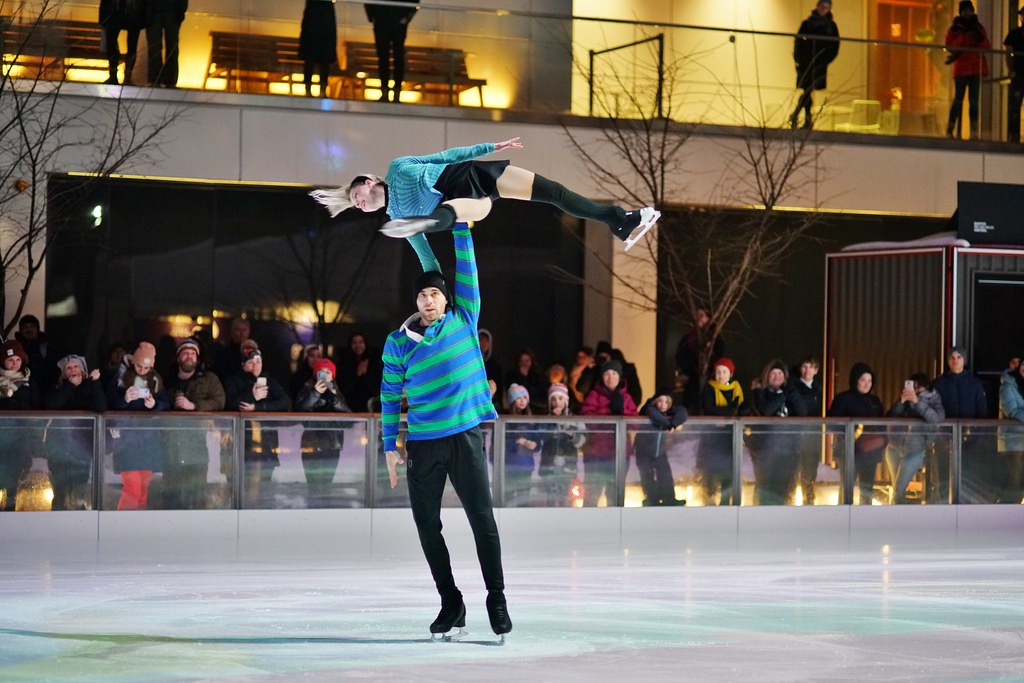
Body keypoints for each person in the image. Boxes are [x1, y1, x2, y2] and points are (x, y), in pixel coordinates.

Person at [380, 224, 512, 640]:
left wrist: (459, 223)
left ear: (446, 298)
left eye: (435, 293)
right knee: (426, 525)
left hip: (464, 437)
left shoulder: (464, 319)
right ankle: (451, 602)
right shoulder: (398, 342)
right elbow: (388, 394)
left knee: (482, 520)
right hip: (423, 442)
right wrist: (389, 444)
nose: (428, 299)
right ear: (415, 302)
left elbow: (465, 268)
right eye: (422, 294)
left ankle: (496, 597)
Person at [309, 138, 660, 273]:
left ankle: (618, 219)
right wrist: (436, 287)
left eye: (355, 195)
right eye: (354, 206)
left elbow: (446, 155)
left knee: (554, 192)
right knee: (476, 210)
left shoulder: (399, 167)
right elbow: (427, 259)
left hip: (469, 174)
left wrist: (489, 146)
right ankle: (431, 222)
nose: (358, 204)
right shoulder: (397, 219)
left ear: (369, 182)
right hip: (458, 201)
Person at [224, 344, 290, 506]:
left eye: (258, 361)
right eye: (251, 361)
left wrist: (258, 407)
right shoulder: (233, 381)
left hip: (266, 445)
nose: (255, 364)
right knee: (239, 487)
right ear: (243, 365)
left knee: (264, 488)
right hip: (240, 446)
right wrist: (251, 395)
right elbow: (230, 404)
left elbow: (285, 402)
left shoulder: (270, 382)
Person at [163, 338, 226, 509]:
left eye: (193, 353)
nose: (189, 356)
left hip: (197, 444)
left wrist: (194, 406)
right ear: (178, 358)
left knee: (197, 493)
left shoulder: (209, 379)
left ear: (197, 358)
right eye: (185, 353)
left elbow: (220, 401)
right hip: (171, 447)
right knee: (172, 495)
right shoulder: (167, 379)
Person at [107, 342, 170, 510]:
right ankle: (124, 526)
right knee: (132, 488)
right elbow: (108, 403)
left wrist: (154, 405)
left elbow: (166, 402)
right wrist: (125, 399)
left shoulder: (155, 380)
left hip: (148, 442)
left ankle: (138, 525)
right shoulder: (121, 378)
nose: (142, 370)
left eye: (146, 368)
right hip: (126, 443)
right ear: (133, 362)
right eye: (139, 366)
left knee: (143, 490)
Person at [44, 355, 107, 510]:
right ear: (63, 373)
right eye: (68, 368)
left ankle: (78, 521)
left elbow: (101, 407)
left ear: (83, 370)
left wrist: (95, 383)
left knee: (78, 486)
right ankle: (58, 517)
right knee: (59, 487)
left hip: (82, 445)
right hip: (58, 444)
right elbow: (52, 405)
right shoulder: (58, 387)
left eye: (76, 367)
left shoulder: (90, 385)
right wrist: (70, 386)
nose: (73, 370)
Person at [931, 345, 988, 502]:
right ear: (948, 361)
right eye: (952, 357)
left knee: (969, 479)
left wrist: (977, 440)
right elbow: (933, 413)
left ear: (964, 360)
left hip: (971, 444)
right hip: (944, 442)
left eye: (959, 357)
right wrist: (941, 438)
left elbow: (982, 414)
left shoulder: (975, 384)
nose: (955, 360)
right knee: (943, 480)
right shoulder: (938, 384)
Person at [580, 358, 638, 508]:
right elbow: (587, 420)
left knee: (615, 493)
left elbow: (635, 422)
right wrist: (609, 413)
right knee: (592, 492)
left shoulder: (626, 398)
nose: (610, 377)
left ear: (620, 377)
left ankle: (616, 525)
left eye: (614, 373)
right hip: (596, 453)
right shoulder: (594, 395)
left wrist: (621, 412)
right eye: (607, 374)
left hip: (619, 453)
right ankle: (588, 524)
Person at [294, 357, 351, 507]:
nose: (325, 375)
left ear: (333, 376)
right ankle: (311, 510)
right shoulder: (307, 388)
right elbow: (300, 408)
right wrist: (315, 393)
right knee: (312, 483)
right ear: (315, 374)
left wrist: (333, 397)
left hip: (333, 444)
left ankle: (326, 511)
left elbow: (348, 415)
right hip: (310, 442)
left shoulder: (336, 392)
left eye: (328, 372)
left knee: (327, 483)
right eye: (321, 372)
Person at [828, 361, 885, 505]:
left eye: (870, 380)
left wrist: (882, 440)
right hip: (849, 452)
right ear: (855, 380)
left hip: (870, 452)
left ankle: (865, 518)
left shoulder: (875, 401)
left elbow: (883, 425)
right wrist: (853, 434)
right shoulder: (843, 399)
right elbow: (832, 424)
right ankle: (843, 515)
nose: (867, 384)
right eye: (863, 380)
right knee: (847, 487)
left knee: (867, 488)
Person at [886, 373, 944, 504]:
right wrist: (901, 401)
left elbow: (936, 419)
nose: (916, 391)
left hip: (915, 450)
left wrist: (917, 402)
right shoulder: (905, 399)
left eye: (919, 388)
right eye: (914, 387)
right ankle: (898, 513)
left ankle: (896, 516)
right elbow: (890, 416)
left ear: (926, 388)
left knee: (898, 490)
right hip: (894, 447)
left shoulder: (933, 399)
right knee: (897, 487)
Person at [749, 360, 799, 506]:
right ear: (767, 375)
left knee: (784, 487)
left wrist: (792, 393)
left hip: (787, 449)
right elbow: (765, 410)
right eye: (773, 373)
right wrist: (783, 396)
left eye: (780, 373)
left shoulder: (790, 393)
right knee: (765, 485)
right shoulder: (759, 392)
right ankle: (761, 515)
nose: (777, 376)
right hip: (764, 449)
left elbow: (802, 411)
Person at [697, 357, 746, 505]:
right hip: (713, 437)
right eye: (718, 372)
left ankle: (726, 501)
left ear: (730, 374)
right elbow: (709, 409)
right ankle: (709, 499)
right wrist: (730, 411)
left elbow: (742, 409)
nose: (721, 375)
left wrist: (732, 412)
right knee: (711, 470)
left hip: (730, 437)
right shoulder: (709, 388)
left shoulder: (737, 388)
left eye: (724, 372)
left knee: (728, 470)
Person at [0, 340, 38, 510]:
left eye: (18, 359)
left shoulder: (29, 382)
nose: (14, 364)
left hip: (19, 441)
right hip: (2, 438)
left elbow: (36, 406)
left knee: (14, 481)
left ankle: (11, 510)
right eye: (10, 360)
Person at [790, 0, 840, 130]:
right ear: (818, 7)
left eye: (827, 7)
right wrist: (798, 59)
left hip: (819, 64)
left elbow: (834, 47)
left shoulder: (831, 26)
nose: (824, 9)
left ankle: (799, 116)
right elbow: (798, 42)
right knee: (807, 90)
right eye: (823, 6)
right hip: (806, 63)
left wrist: (825, 60)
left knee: (807, 90)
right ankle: (804, 118)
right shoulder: (807, 24)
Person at [633, 387, 687, 506]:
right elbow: (655, 416)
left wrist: (674, 424)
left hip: (659, 450)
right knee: (647, 474)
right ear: (655, 401)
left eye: (667, 402)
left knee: (665, 474)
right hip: (643, 450)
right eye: (660, 401)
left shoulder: (668, 412)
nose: (663, 405)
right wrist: (668, 425)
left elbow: (683, 412)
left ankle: (669, 498)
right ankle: (652, 499)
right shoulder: (649, 408)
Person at [944, 1, 990, 139]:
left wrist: (975, 37)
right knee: (958, 100)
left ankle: (974, 131)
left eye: (969, 10)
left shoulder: (978, 27)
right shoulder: (955, 29)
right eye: (965, 10)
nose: (968, 13)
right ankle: (950, 129)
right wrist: (964, 38)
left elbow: (986, 45)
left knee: (974, 101)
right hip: (962, 70)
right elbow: (949, 46)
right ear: (961, 12)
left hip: (974, 69)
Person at [537, 382, 585, 507]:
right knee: (551, 500)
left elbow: (582, 441)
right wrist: (553, 422)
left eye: (560, 398)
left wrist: (570, 432)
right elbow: (541, 437)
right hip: (549, 468)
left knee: (565, 499)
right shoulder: (545, 420)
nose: (557, 402)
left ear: (566, 400)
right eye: (553, 399)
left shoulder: (575, 419)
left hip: (568, 469)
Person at [364, 0, 417, 103]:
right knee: (389, 57)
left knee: (391, 57)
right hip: (388, 19)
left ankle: (390, 91)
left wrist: (406, 18)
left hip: (388, 19)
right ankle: (391, 91)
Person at [789, 355, 824, 504]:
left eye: (811, 367)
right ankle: (789, 499)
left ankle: (808, 500)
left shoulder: (820, 388)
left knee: (810, 470)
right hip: (796, 435)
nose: (807, 370)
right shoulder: (793, 387)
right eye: (804, 366)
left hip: (813, 435)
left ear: (816, 370)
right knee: (793, 470)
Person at [675, 308, 724, 414]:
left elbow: (719, 357)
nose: (699, 318)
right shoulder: (688, 339)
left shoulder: (715, 339)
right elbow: (680, 357)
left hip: (709, 380)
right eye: (697, 315)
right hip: (692, 380)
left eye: (702, 315)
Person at [503, 383, 540, 507]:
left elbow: (537, 440)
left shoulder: (530, 420)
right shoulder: (506, 420)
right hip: (510, 466)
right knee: (509, 496)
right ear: (512, 401)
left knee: (524, 497)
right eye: (519, 398)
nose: (522, 401)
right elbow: (502, 443)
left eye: (524, 398)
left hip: (526, 466)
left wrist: (534, 445)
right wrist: (516, 442)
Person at [99, 0, 145, 85]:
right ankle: (120, 76)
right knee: (114, 45)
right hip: (121, 12)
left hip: (126, 13)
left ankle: (122, 76)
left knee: (128, 45)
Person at [998, 358, 1024, 504]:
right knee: (1015, 481)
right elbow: (1012, 411)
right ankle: (1006, 513)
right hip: (1013, 442)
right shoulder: (1008, 386)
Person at [299, 0, 337, 98]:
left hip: (315, 21)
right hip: (321, 21)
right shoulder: (326, 8)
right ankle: (319, 88)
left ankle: (313, 88)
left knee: (314, 58)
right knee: (320, 58)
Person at [336, 333, 381, 413]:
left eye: (360, 342)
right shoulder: (344, 363)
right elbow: (343, 387)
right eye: (354, 343)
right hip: (350, 405)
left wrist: (366, 374)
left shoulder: (373, 362)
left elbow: (377, 386)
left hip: (371, 406)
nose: (358, 345)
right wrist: (357, 374)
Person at [15, 314, 60, 394]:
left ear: (37, 329)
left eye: (32, 326)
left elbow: (53, 371)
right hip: (21, 391)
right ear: (21, 330)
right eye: (25, 327)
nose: (29, 329)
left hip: (44, 391)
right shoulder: (15, 348)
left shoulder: (47, 347)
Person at [146, 0, 187, 88]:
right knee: (168, 47)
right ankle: (167, 80)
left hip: (161, 11)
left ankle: (158, 79)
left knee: (157, 47)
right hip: (166, 10)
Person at [1004, 6, 1024, 143]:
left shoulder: (1015, 34)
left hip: (1018, 74)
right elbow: (1008, 53)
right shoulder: (1015, 34)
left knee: (1015, 107)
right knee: (1015, 108)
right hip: (1018, 75)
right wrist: (1011, 69)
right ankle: (1014, 135)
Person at [504, 348, 545, 413]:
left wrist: (525, 378)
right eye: (521, 361)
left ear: (532, 362)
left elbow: (536, 394)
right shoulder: (511, 376)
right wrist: (522, 377)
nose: (524, 364)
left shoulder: (538, 377)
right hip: (516, 409)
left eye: (527, 361)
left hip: (535, 409)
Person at [212, 317, 252, 382]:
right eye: (238, 329)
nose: (241, 333)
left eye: (244, 329)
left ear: (249, 331)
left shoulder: (254, 353)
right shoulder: (223, 354)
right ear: (232, 331)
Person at [478, 329, 503, 406]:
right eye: (481, 340)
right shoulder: (469, 362)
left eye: (487, 341)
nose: (484, 343)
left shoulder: (495, 366)